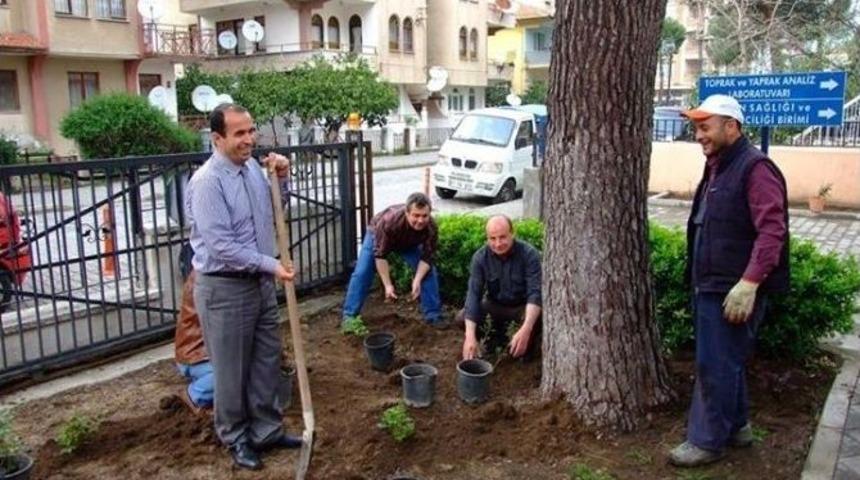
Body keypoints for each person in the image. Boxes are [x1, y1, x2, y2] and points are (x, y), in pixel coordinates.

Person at [669, 94, 789, 467]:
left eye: (705, 127)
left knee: (714, 365)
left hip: (733, 289)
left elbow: (772, 231)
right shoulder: (719, 165)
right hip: (712, 284)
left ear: (731, 126)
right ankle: (737, 427)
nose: (699, 135)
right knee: (727, 360)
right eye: (696, 128)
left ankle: (706, 441)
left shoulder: (755, 169)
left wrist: (750, 283)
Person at [186, 103, 299, 471]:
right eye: (239, 133)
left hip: (260, 284)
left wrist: (281, 179)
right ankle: (236, 438)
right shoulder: (207, 182)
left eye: (251, 131)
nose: (249, 139)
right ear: (217, 138)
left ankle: (266, 430)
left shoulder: (252, 169)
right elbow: (221, 247)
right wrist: (272, 265)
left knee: (266, 361)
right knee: (231, 371)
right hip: (225, 289)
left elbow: (276, 211)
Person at [342, 192, 448, 328]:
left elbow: (427, 257)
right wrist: (388, 285)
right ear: (407, 213)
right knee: (362, 273)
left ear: (429, 213)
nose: (420, 220)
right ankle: (349, 317)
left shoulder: (431, 228)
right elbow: (380, 256)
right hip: (378, 235)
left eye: (424, 216)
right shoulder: (388, 222)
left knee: (429, 273)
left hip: (408, 243)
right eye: (416, 215)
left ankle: (433, 316)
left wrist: (417, 279)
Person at [458, 215, 542, 361]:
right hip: (494, 305)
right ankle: (493, 341)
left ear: (512, 233)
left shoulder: (529, 255)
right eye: (492, 238)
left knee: (537, 318)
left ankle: (526, 344)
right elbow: (473, 295)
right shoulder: (480, 258)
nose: (498, 244)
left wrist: (526, 329)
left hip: (521, 308)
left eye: (502, 237)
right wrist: (469, 336)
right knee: (462, 317)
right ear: (487, 238)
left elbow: (535, 294)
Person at [174, 269, 213, 415]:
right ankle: (194, 395)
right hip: (197, 355)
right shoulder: (208, 276)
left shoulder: (209, 269)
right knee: (232, 375)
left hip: (204, 352)